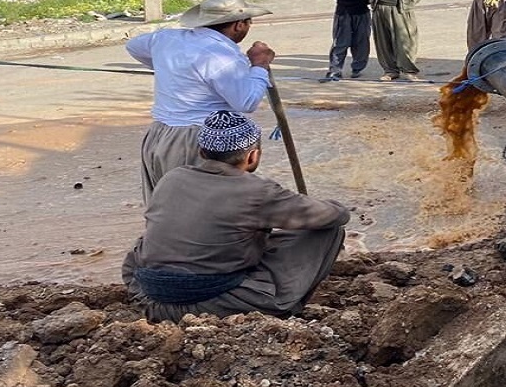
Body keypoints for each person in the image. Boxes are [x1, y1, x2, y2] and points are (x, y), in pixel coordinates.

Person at [122, 111, 349, 322]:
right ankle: (284, 307)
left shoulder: (172, 178)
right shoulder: (257, 191)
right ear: (252, 156)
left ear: (201, 152)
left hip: (149, 296)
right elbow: (337, 215)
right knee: (329, 231)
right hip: (210, 303)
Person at [126, 0, 276, 203]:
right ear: (239, 25)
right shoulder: (223, 57)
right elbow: (247, 102)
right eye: (249, 22)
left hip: (160, 135)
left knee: (165, 206)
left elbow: (133, 46)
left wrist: (170, 67)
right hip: (202, 139)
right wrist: (259, 65)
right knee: (202, 209)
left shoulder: (166, 38)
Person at [368, 0, 423, 80]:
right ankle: (390, 71)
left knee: (405, 41)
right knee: (383, 42)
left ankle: (409, 70)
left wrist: (410, 4)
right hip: (380, 10)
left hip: (401, 10)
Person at [321, 0, 371, 81]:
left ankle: (357, 68)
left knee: (361, 42)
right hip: (343, 13)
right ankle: (335, 70)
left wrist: (364, 1)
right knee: (340, 43)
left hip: (361, 14)